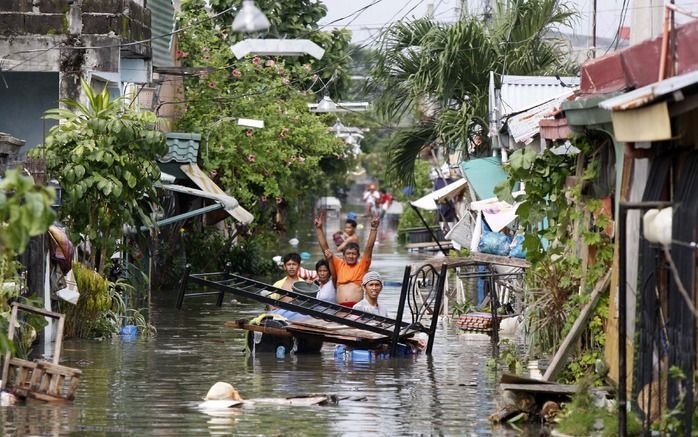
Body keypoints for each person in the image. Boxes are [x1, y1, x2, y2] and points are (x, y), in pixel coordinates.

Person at [314, 211, 379, 308]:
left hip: (357, 309)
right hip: (340, 309)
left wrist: (373, 229)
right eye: (348, 254)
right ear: (343, 256)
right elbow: (325, 249)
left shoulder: (362, 266)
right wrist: (319, 229)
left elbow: (369, 248)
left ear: (358, 256)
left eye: (353, 254)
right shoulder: (339, 264)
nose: (351, 256)